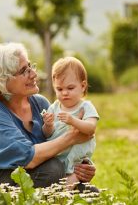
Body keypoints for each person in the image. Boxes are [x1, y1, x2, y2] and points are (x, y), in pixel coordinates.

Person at [0, 42, 96, 191]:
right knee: (52, 170)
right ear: (1, 81)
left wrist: (81, 166)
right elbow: (28, 158)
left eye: (30, 66)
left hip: (28, 174)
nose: (34, 74)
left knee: (90, 193)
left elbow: (55, 145)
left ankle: (63, 190)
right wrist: (72, 137)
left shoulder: (40, 103)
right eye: (24, 71)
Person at [42, 56, 99, 190]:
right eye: (59, 89)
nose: (65, 93)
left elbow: (91, 128)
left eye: (70, 88)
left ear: (83, 86)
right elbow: (46, 134)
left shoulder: (85, 107)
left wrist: (73, 121)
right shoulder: (54, 107)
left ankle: (65, 193)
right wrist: (48, 125)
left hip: (76, 159)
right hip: (57, 155)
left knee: (68, 186)